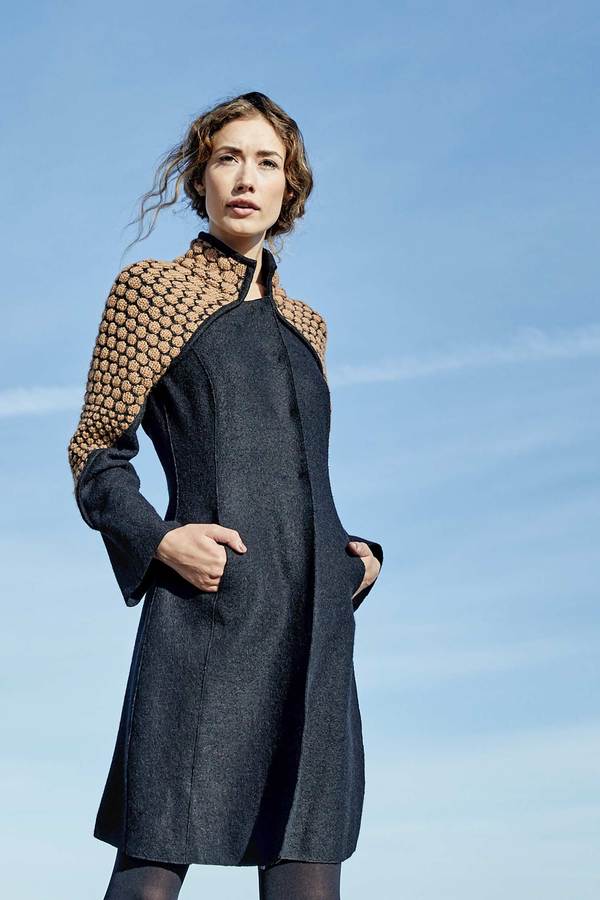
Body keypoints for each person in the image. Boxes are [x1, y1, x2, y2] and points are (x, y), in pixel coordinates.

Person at [67, 91, 384, 900]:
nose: (247, 177)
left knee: (307, 877)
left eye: (268, 162)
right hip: (204, 615)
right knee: (148, 873)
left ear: (290, 188)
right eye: (227, 158)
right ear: (200, 177)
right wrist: (161, 538)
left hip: (314, 629)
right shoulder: (153, 292)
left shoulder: (307, 325)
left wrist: (359, 558)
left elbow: (301, 470)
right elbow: (96, 450)